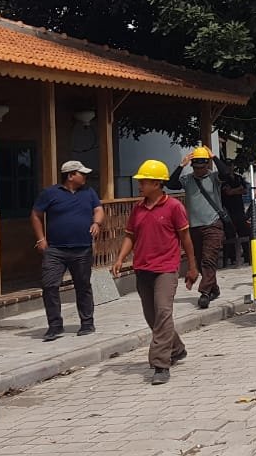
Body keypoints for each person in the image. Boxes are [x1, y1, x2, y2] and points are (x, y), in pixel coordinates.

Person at [110, 159, 197, 386]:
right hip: (142, 269)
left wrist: (193, 266)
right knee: (153, 317)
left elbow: (186, 238)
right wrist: (120, 259)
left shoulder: (174, 207)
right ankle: (176, 348)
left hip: (166, 269)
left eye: (144, 181)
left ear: (157, 183)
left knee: (163, 312)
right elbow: (130, 236)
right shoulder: (138, 209)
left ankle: (160, 364)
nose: (140, 185)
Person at [30, 160, 104, 342]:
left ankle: (87, 323)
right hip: (55, 249)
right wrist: (41, 239)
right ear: (71, 176)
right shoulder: (50, 193)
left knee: (83, 285)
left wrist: (96, 223)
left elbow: (98, 209)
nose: (85, 177)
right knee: (49, 285)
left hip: (82, 248)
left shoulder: (89, 192)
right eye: (81, 173)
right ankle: (55, 326)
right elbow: (36, 214)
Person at [168, 147, 228, 309]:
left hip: (213, 224)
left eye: (202, 167)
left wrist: (214, 157)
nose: (199, 170)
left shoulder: (214, 177)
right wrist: (181, 165)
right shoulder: (187, 180)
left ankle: (205, 293)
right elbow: (171, 184)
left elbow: (226, 174)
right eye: (196, 167)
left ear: (207, 164)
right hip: (194, 226)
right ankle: (213, 288)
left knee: (209, 259)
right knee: (201, 261)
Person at [218, 162, 250, 268]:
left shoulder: (238, 178)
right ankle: (232, 258)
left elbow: (245, 190)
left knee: (244, 232)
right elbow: (228, 192)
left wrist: (235, 191)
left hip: (239, 209)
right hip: (228, 211)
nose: (230, 167)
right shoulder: (223, 179)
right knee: (230, 234)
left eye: (231, 165)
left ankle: (247, 255)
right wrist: (238, 190)